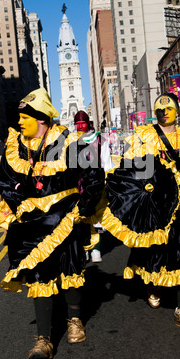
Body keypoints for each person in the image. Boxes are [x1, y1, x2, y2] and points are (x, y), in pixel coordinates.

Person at [0, 89, 104, 359]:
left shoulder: (69, 141)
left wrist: (84, 208)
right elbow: (6, 180)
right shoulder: (16, 146)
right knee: (38, 274)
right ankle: (44, 339)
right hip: (32, 220)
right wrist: (18, 202)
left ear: (41, 119)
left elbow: (93, 175)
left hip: (66, 216)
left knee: (71, 268)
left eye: (24, 118)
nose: (19, 123)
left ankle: (75, 320)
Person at [96, 93, 180, 331]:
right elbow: (132, 165)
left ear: (178, 111)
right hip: (155, 202)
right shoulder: (145, 135)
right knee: (154, 250)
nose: (164, 112)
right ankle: (152, 286)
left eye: (169, 109)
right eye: (159, 110)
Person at [74, 110, 114, 263]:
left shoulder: (99, 140)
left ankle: (96, 249)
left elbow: (106, 162)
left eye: (82, 123)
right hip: (78, 185)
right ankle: (84, 249)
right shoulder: (72, 140)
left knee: (96, 218)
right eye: (77, 124)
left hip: (96, 184)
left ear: (88, 123)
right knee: (81, 219)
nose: (80, 127)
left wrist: (107, 181)